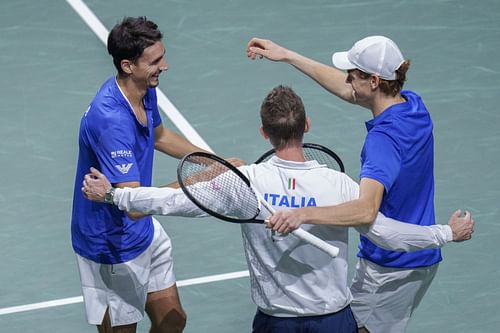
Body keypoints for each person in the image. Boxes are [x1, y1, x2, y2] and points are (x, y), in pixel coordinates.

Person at [81, 86, 474, 333]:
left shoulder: (246, 182)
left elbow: (172, 200)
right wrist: (445, 234)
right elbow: (387, 233)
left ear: (263, 132)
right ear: (307, 125)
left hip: (275, 323)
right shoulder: (337, 185)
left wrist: (114, 196)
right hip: (334, 321)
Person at [246, 36, 471, 332]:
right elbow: (348, 90)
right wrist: (288, 55)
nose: (347, 78)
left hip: (391, 267)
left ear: (375, 81)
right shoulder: (413, 105)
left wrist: (302, 213)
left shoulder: (382, 142)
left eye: (353, 73)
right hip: (414, 254)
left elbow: (365, 211)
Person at [71, 16, 215, 333]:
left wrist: (210, 161)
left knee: (172, 320)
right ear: (128, 65)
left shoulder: (143, 89)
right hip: (110, 243)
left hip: (142, 230)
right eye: (155, 61)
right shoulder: (111, 120)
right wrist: (199, 181)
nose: (165, 66)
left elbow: (160, 136)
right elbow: (134, 204)